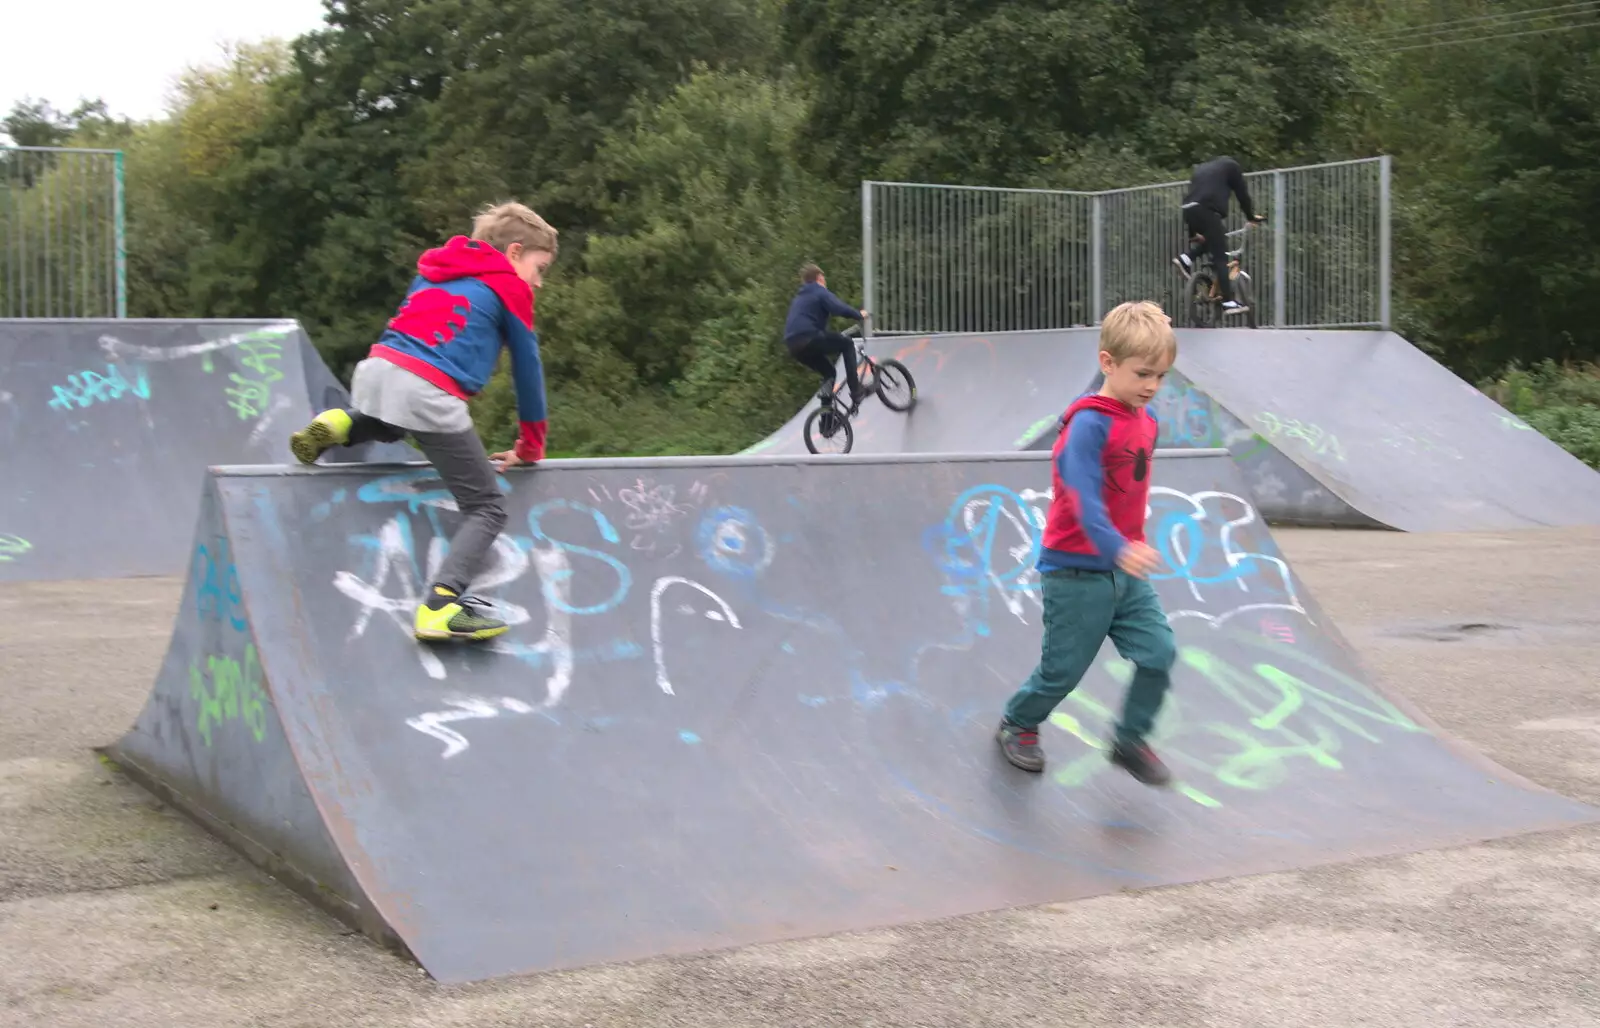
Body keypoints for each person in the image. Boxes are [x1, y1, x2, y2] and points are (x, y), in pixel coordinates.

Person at [288, 201, 557, 643]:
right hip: (426, 387)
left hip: (376, 370)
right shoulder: (510, 287)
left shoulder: (438, 270)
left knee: (393, 424)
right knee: (486, 507)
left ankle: (339, 425)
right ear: (513, 252)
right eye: (539, 267)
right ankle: (441, 605)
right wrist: (531, 445)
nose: (539, 281)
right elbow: (528, 371)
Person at [995, 299, 1178, 786]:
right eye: (1143, 374)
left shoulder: (1147, 419)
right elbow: (1081, 498)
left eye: (1161, 376)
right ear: (1107, 362)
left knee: (1159, 653)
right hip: (1075, 571)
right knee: (1062, 673)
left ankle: (1129, 739)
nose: (1152, 386)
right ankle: (1018, 721)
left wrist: (1127, 551)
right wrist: (1117, 545)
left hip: (1126, 575)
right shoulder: (1087, 424)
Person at [1172, 155, 1266, 316]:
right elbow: (1242, 195)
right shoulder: (1232, 167)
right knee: (1221, 257)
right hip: (1207, 211)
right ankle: (1228, 302)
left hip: (1189, 211)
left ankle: (1185, 259)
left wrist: (1193, 233)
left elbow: (1194, 197)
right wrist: (1250, 217)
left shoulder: (1201, 169)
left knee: (1212, 239)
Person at [783, 263, 871, 405]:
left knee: (829, 373)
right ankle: (856, 391)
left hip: (793, 345)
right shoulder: (818, 291)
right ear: (819, 278)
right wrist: (859, 315)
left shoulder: (800, 297)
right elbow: (838, 308)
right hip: (809, 337)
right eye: (824, 278)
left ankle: (826, 420)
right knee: (847, 344)